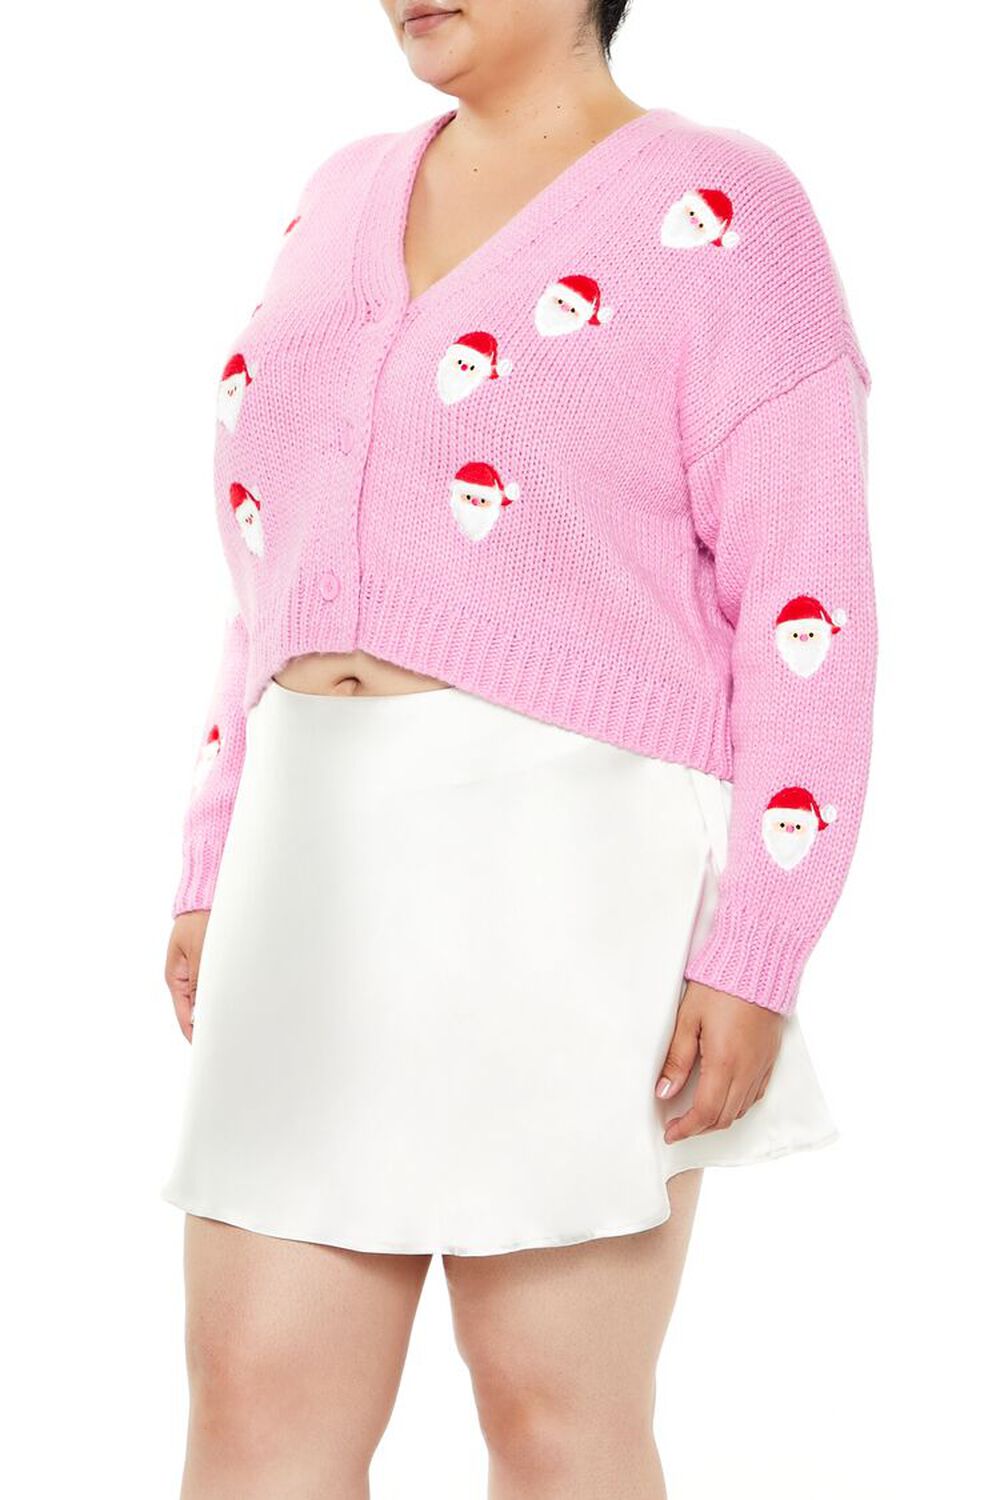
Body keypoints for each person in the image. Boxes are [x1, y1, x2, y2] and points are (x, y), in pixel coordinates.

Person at [161, 1, 877, 1494]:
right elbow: (267, 564)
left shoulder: (723, 210)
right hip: (312, 853)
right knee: (253, 1411)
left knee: (557, 1419)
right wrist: (216, 851)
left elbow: (806, 604)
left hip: (567, 857)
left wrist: (761, 945)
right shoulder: (341, 192)